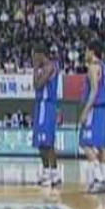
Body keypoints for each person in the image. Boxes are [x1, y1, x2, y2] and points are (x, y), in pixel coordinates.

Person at [79, 41, 105, 194]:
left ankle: (99, 179)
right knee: (102, 146)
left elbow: (93, 91)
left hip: (95, 108)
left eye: (87, 50)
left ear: (92, 52)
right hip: (104, 109)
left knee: (85, 143)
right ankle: (102, 179)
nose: (85, 53)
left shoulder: (93, 67)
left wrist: (85, 111)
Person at [32, 43, 61, 187]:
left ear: (40, 54)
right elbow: (35, 85)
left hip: (47, 106)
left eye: (34, 55)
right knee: (40, 142)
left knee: (48, 142)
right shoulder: (42, 68)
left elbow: (38, 85)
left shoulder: (50, 67)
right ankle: (46, 172)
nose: (33, 58)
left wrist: (35, 68)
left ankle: (55, 173)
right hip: (40, 106)